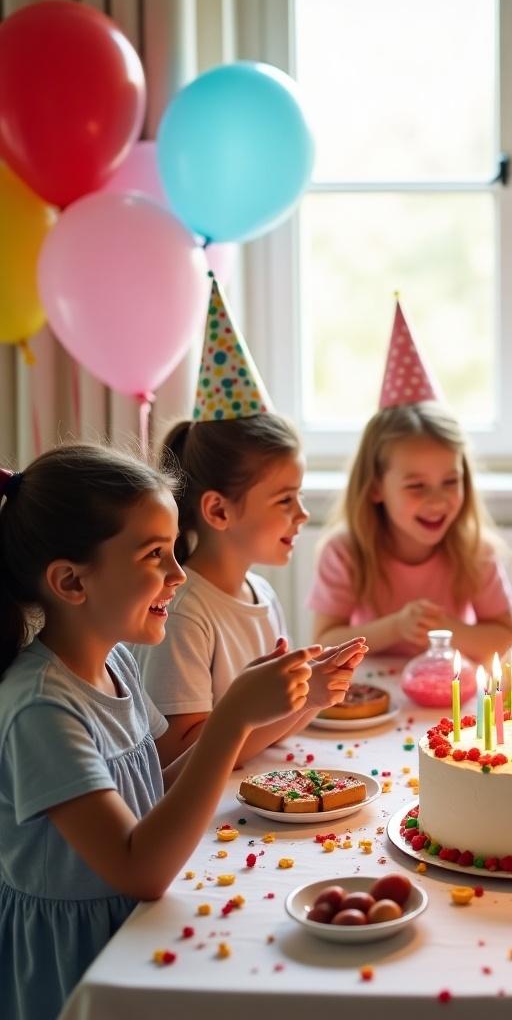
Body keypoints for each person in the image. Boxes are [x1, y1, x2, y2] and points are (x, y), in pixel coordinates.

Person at [0, 446, 320, 1020]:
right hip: (76, 963)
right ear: (71, 581)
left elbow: (153, 785)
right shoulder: (41, 710)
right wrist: (229, 720)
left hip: (135, 931)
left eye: (174, 550)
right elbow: (138, 868)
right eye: (154, 555)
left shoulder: (116, 662)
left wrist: (277, 707)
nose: (178, 574)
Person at [135, 275, 366, 766]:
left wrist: (314, 694)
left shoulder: (263, 595)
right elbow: (177, 755)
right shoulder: (184, 611)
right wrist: (307, 698)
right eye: (284, 500)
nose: (302, 514)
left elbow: (265, 730)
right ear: (219, 510)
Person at [310, 298, 512, 661]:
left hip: (451, 697)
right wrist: (394, 628)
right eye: (417, 486)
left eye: (450, 482)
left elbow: (507, 642)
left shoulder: (475, 551)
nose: (437, 500)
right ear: (375, 486)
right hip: (372, 704)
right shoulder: (344, 552)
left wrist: (448, 630)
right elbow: (324, 643)